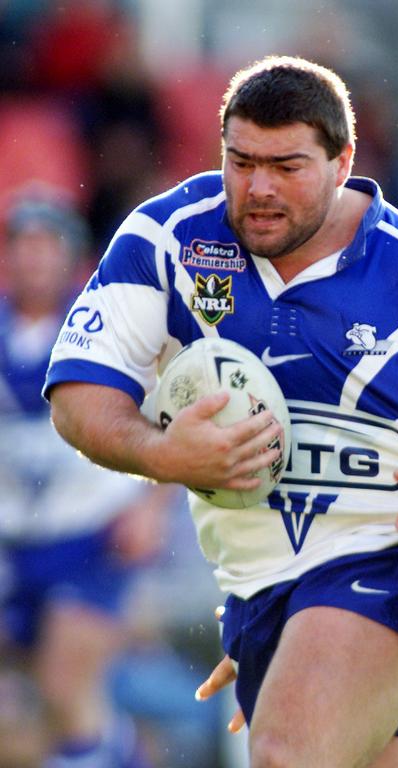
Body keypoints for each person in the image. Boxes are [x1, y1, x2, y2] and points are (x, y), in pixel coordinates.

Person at [44, 55, 398, 768]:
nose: (259, 188)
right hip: (258, 594)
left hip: (391, 571)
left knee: (283, 755)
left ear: (344, 162)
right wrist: (159, 454)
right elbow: (79, 395)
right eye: (240, 163)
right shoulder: (170, 239)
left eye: (287, 167)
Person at [0, 191, 175, 768]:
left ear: (72, 258)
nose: (32, 262)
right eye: (22, 249)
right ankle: (125, 754)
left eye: (45, 249)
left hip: (95, 538)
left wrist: (153, 507)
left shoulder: (102, 329)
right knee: (22, 712)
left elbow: (169, 413)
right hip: (16, 543)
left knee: (64, 682)